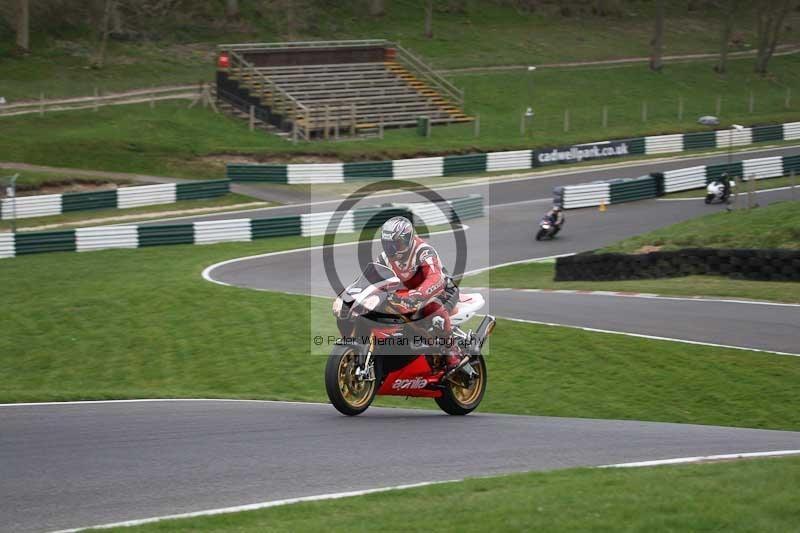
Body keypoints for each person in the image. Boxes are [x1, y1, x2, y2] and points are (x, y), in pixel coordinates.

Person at [377, 216, 467, 372]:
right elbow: (372, 279)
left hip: (443, 289)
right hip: (409, 295)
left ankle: (452, 352)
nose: (392, 250)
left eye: (396, 244)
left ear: (408, 239)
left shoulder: (423, 251)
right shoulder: (384, 258)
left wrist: (417, 294)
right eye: (388, 245)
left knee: (434, 312)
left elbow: (435, 278)